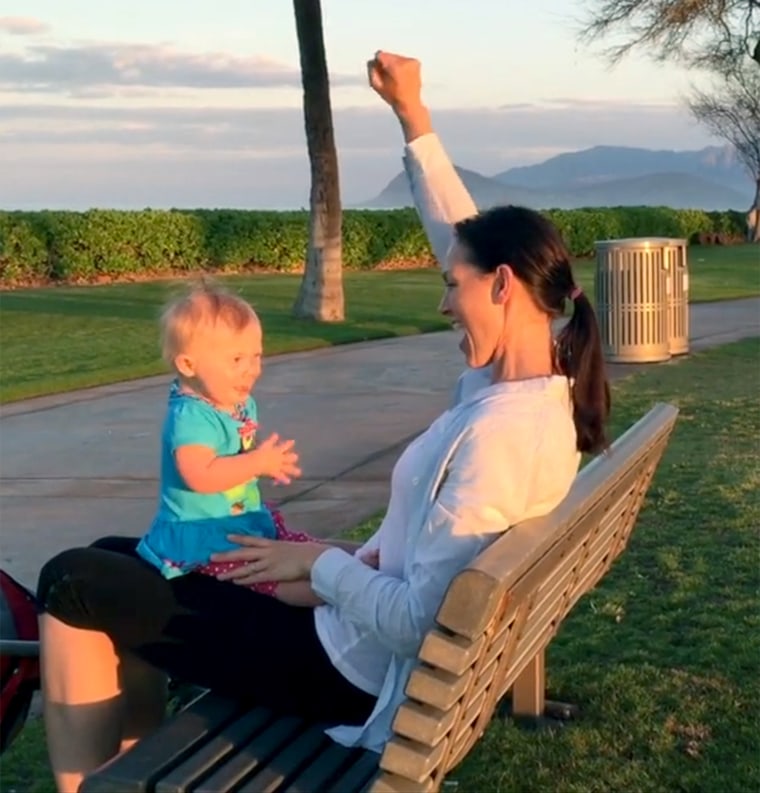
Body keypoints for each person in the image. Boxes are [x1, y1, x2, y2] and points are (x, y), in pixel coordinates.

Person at [35, 50, 610, 792]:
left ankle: (94, 784)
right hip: (347, 641)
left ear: (501, 286)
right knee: (121, 555)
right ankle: (127, 764)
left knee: (72, 579)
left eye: (450, 287)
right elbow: (461, 239)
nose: (442, 304)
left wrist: (319, 564)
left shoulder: (500, 433)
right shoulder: (530, 391)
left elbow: (413, 622)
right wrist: (413, 114)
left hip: (340, 669)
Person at [133, 279, 324, 606]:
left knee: (303, 552)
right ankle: (345, 599)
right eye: (237, 360)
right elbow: (200, 475)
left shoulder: (237, 401)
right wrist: (256, 463)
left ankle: (355, 573)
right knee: (269, 581)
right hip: (206, 537)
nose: (252, 370)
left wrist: (261, 461)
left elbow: (237, 451)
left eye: (257, 355)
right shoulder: (191, 417)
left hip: (239, 523)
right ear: (188, 365)